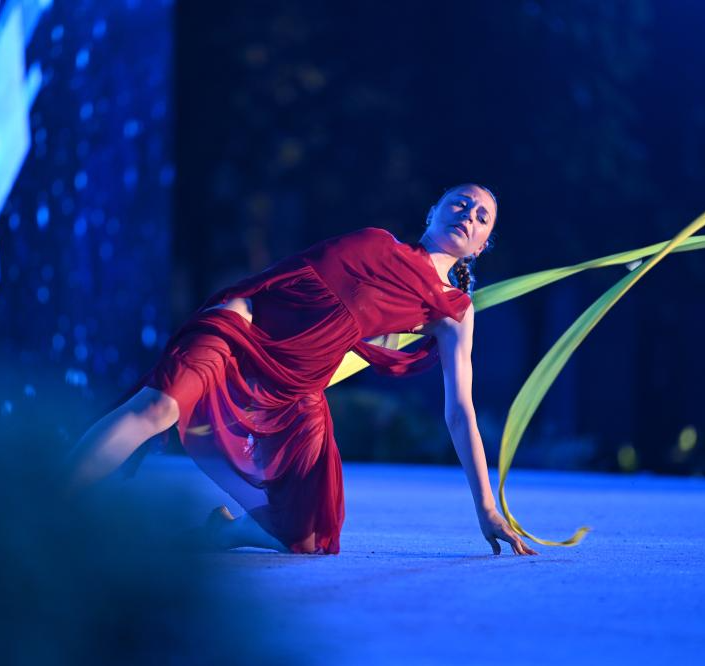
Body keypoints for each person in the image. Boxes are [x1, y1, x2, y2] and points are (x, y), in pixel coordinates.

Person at [64, 183, 537, 556]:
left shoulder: (453, 313)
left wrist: (486, 510)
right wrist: (236, 313)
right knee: (158, 408)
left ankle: (223, 532)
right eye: (460, 204)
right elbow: (287, 281)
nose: (467, 216)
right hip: (243, 331)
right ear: (433, 213)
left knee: (307, 537)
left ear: (480, 247)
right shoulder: (374, 242)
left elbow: (460, 412)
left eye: (481, 217)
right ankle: (47, 509)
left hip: (295, 387)